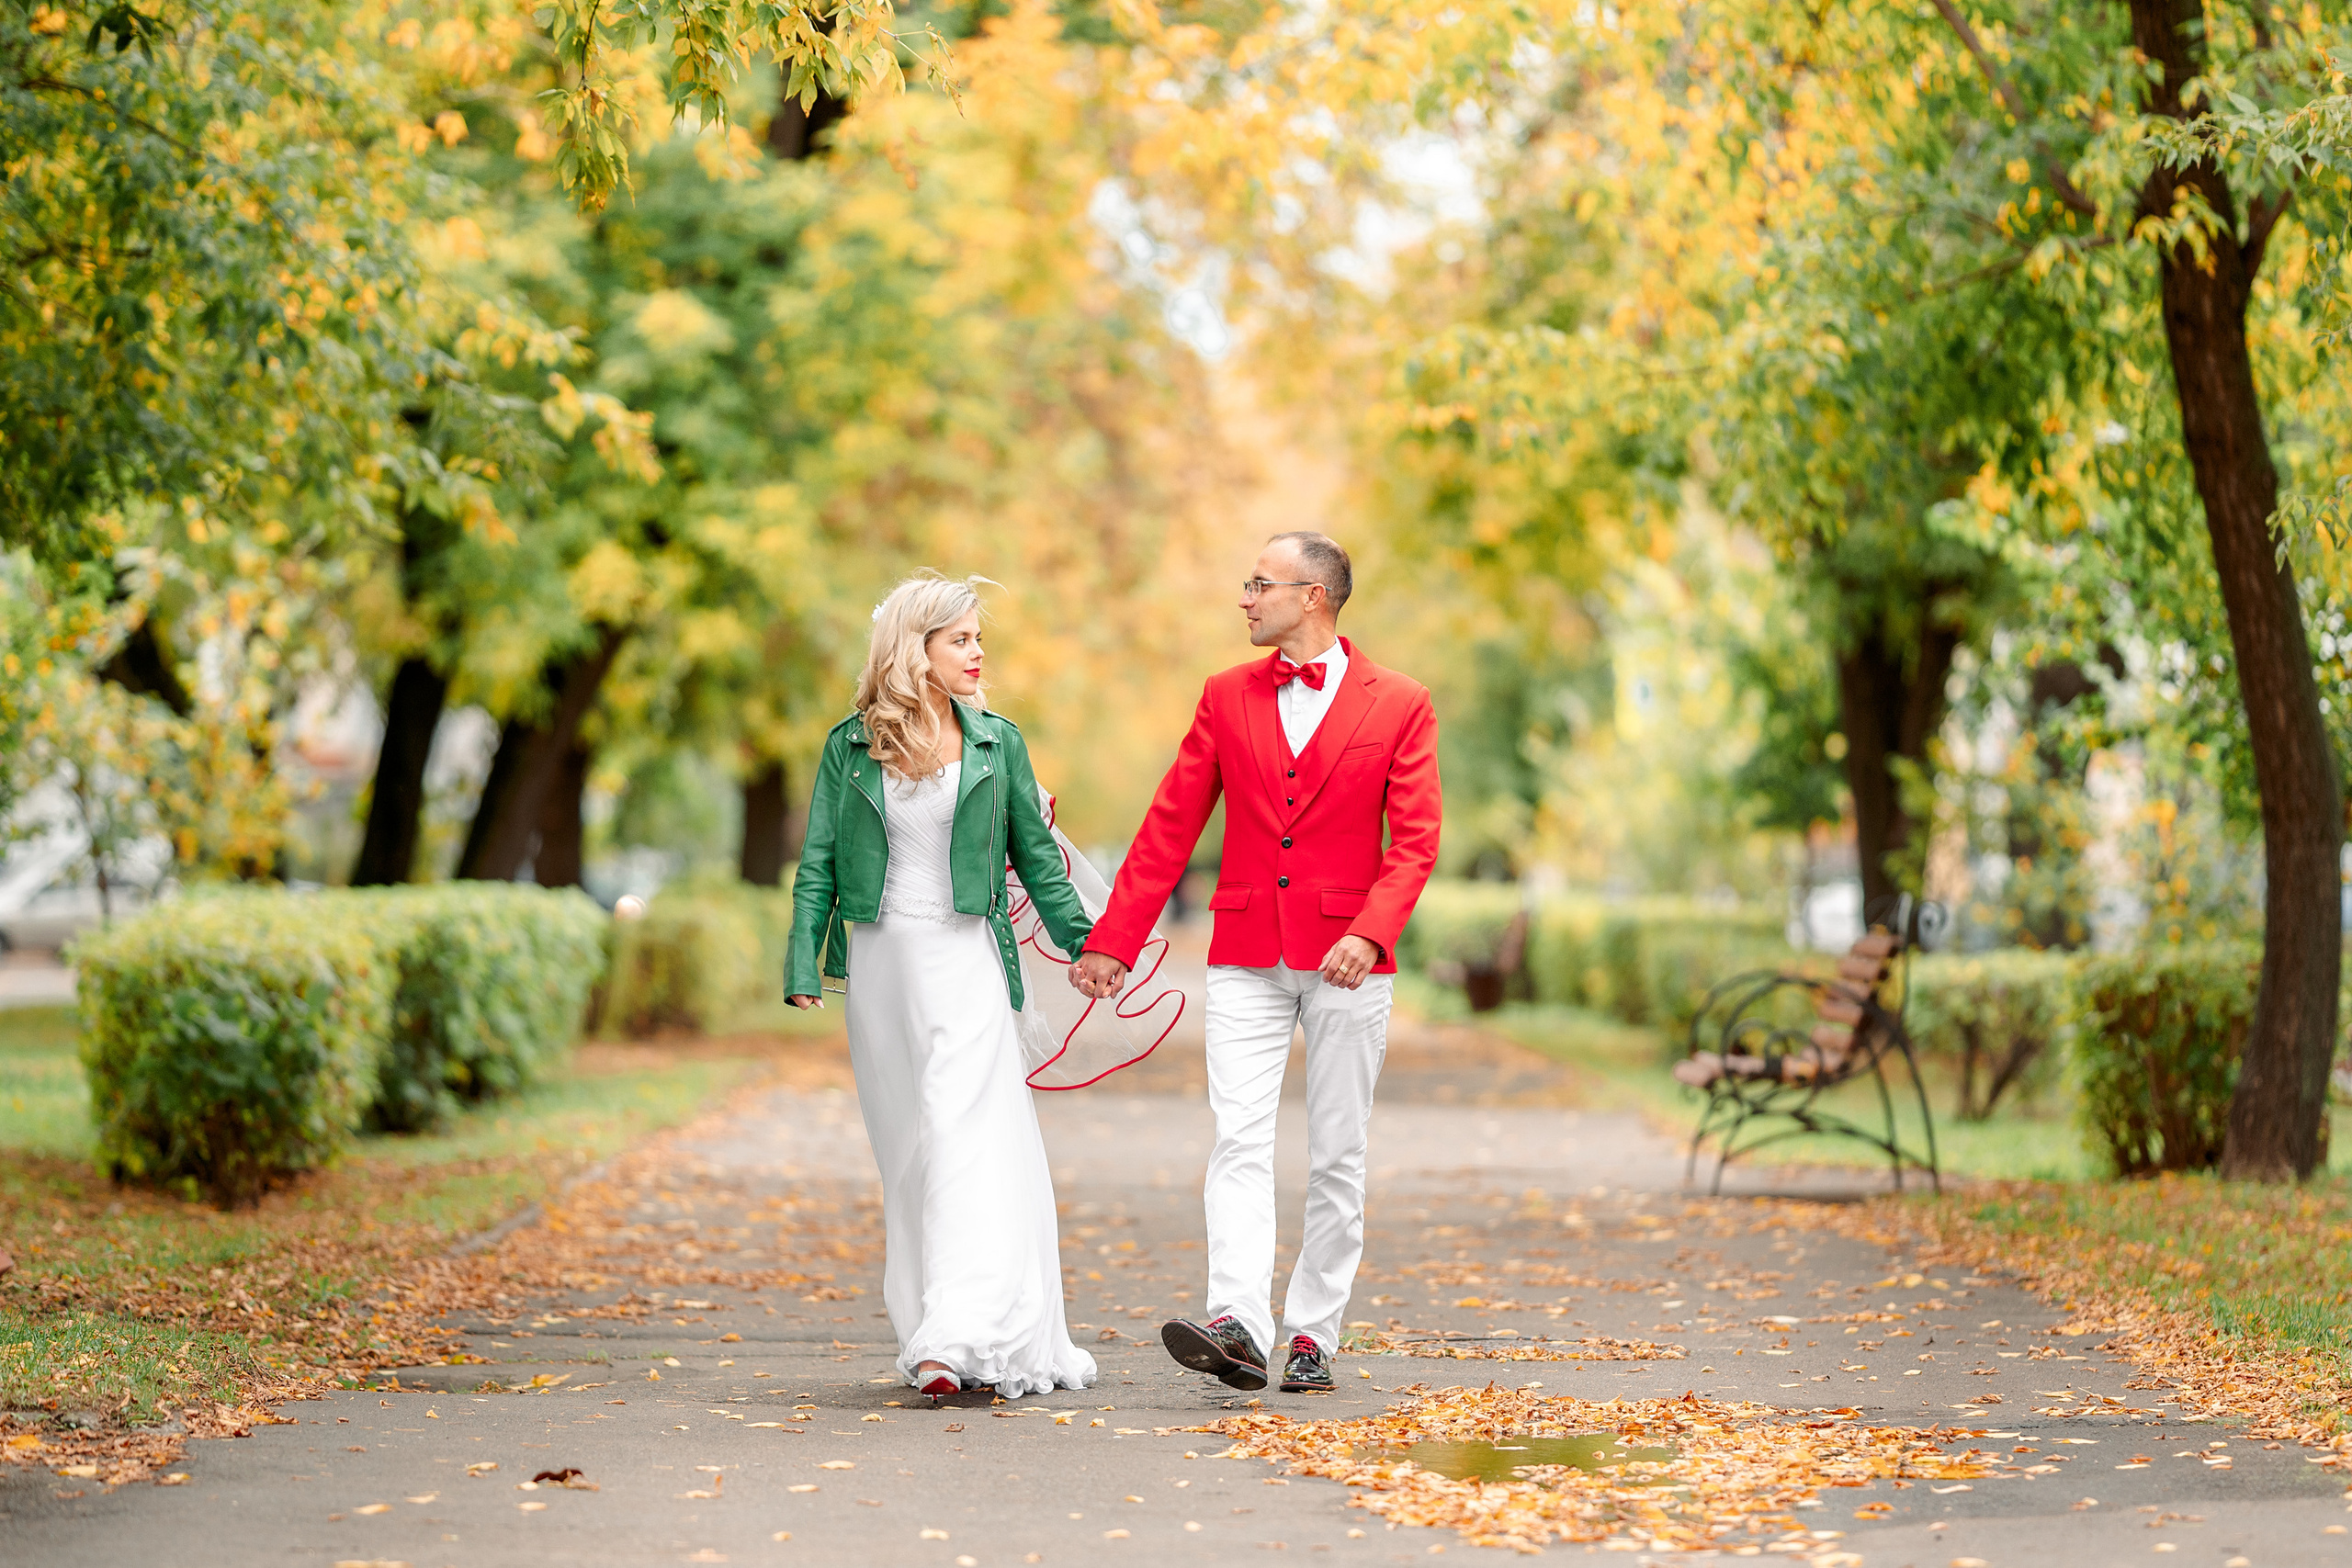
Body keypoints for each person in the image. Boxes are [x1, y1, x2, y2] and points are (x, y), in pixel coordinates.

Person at [1069, 532, 1442, 1393]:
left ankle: (1314, 1330)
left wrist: (1371, 930)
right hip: (1245, 952)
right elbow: (1172, 822)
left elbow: (1416, 841)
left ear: (1313, 595)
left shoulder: (1402, 703)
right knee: (1238, 1137)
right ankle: (1237, 1320)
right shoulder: (1224, 695)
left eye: (1259, 584)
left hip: (1352, 959)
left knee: (1337, 1151)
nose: (1244, 597)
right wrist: (1112, 940)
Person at [786, 574, 1098, 1403]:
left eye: (976, 639)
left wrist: (1087, 945)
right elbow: (817, 860)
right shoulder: (850, 745)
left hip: (966, 960)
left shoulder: (999, 741)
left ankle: (958, 1335)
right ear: (912, 649)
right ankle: (928, 1317)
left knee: (966, 1135)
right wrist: (800, 965)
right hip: (882, 966)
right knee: (910, 1150)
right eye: (959, 638)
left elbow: (1037, 858)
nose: (977, 652)